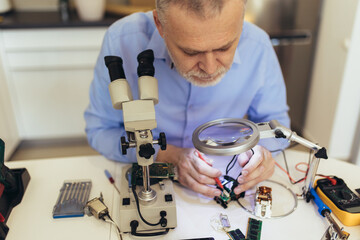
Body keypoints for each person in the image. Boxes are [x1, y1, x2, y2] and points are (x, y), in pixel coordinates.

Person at [84, 0, 290, 198]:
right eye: (191, 52)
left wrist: (261, 152)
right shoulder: (122, 40)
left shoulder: (258, 45)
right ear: (160, 25)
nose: (210, 68)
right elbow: (101, 130)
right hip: (148, 180)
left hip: (226, 185)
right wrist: (166, 155)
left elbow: (277, 124)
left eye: (224, 48)